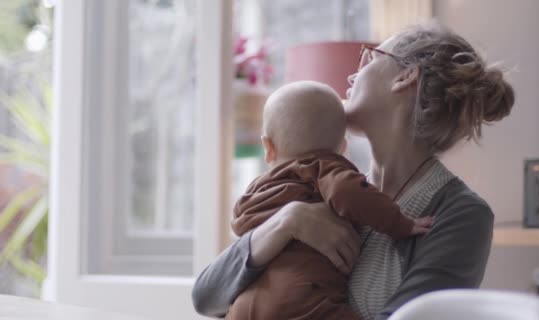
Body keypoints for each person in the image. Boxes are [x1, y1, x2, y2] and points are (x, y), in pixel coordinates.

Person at [192, 21, 515, 320]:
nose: (352, 75)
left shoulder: (461, 215)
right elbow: (206, 297)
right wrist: (287, 222)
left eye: (369, 59)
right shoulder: (326, 186)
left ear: (405, 77)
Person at [226, 81, 433, 320]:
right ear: (342, 148)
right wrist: (402, 223)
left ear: (268, 147)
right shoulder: (324, 168)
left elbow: (240, 223)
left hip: (244, 303)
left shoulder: (257, 189)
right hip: (302, 299)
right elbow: (349, 194)